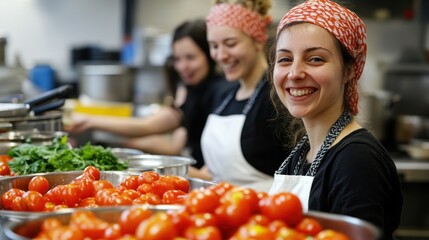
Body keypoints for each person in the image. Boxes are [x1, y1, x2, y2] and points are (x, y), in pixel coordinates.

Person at [268, 0, 403, 239]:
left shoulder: (357, 160)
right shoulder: (302, 154)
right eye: (285, 59)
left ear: (349, 69)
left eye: (316, 59)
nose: (295, 73)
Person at [66, 19, 231, 169]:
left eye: (190, 57)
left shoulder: (220, 93)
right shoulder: (192, 90)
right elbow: (147, 126)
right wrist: (89, 122)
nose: (182, 66)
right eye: (177, 59)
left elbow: (209, 170)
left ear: (210, 54)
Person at [191, 0, 292, 189]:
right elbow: (215, 174)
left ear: (257, 39)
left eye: (230, 43)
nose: (221, 55)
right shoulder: (225, 96)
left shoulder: (277, 97)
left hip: (264, 211)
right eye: (214, 46)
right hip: (220, 209)